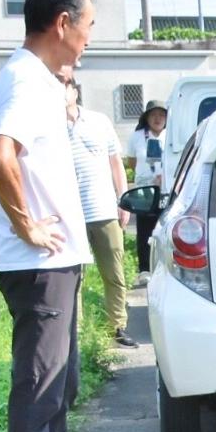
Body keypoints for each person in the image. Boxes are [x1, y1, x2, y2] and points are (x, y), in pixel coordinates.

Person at [0, 0, 116, 432]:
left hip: (58, 263)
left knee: (59, 385)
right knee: (39, 386)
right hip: (37, 266)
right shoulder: (24, 80)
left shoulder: (40, 79)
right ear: (62, 23)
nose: (89, 38)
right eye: (87, 27)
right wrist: (25, 222)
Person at [63, 75, 136, 348]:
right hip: (69, 214)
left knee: (114, 271)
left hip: (104, 208)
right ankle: (77, 333)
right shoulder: (49, 126)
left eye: (64, 87)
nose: (60, 93)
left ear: (74, 90)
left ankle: (117, 326)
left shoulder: (99, 121)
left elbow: (116, 163)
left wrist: (123, 199)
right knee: (72, 277)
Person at [125, 102, 169, 271]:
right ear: (147, 118)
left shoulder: (170, 135)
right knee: (144, 231)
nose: (158, 119)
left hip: (166, 190)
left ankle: (164, 267)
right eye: (153, 115)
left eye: (161, 115)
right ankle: (145, 269)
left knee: (164, 228)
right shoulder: (137, 136)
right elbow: (131, 161)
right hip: (144, 191)